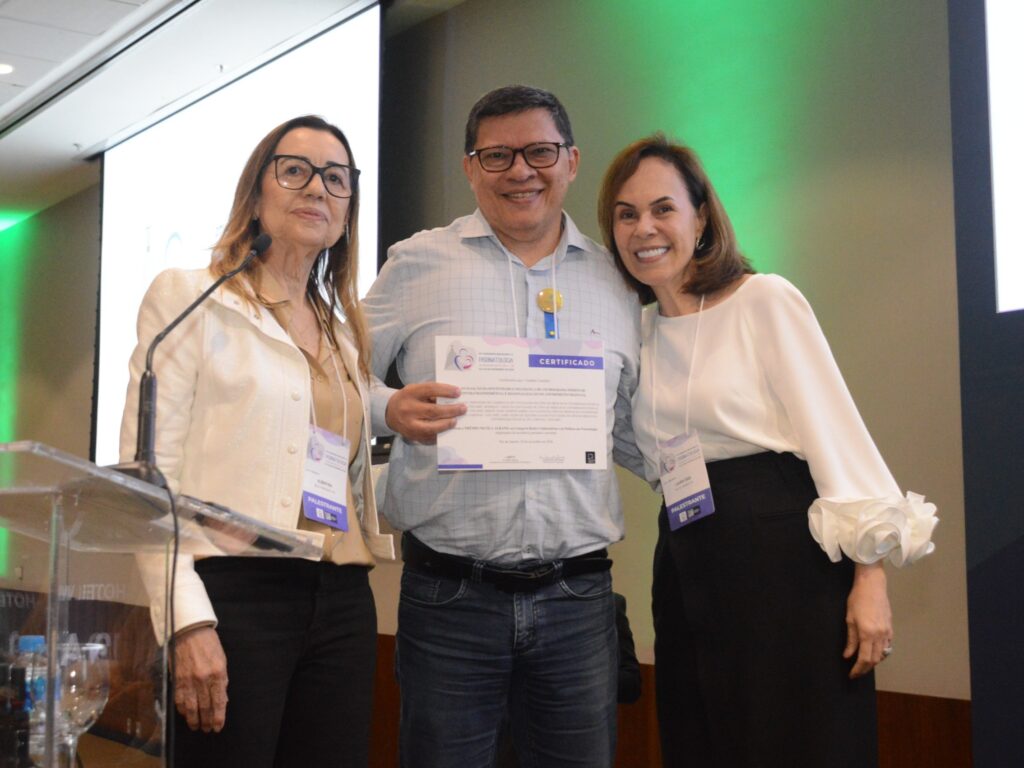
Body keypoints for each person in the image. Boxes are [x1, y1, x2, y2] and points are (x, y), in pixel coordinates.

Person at [596, 135, 938, 767]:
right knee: (702, 739)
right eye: (626, 213)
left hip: (785, 568)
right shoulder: (637, 331)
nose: (644, 227)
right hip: (686, 563)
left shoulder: (765, 300)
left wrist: (870, 577)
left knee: (799, 743)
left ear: (700, 217)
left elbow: (836, 435)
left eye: (662, 208)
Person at [363, 85, 643, 768]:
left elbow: (640, 426)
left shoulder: (620, 280)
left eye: (540, 151)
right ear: (470, 168)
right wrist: (387, 409)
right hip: (449, 597)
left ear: (571, 161)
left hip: (578, 599)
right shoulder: (416, 264)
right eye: (497, 156)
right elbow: (335, 375)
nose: (521, 171)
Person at [121, 115, 393, 768]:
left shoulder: (342, 332)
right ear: (257, 191)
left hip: (342, 601)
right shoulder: (193, 298)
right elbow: (148, 484)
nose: (317, 188)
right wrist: (187, 622)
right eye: (295, 170)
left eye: (337, 178)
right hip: (236, 598)